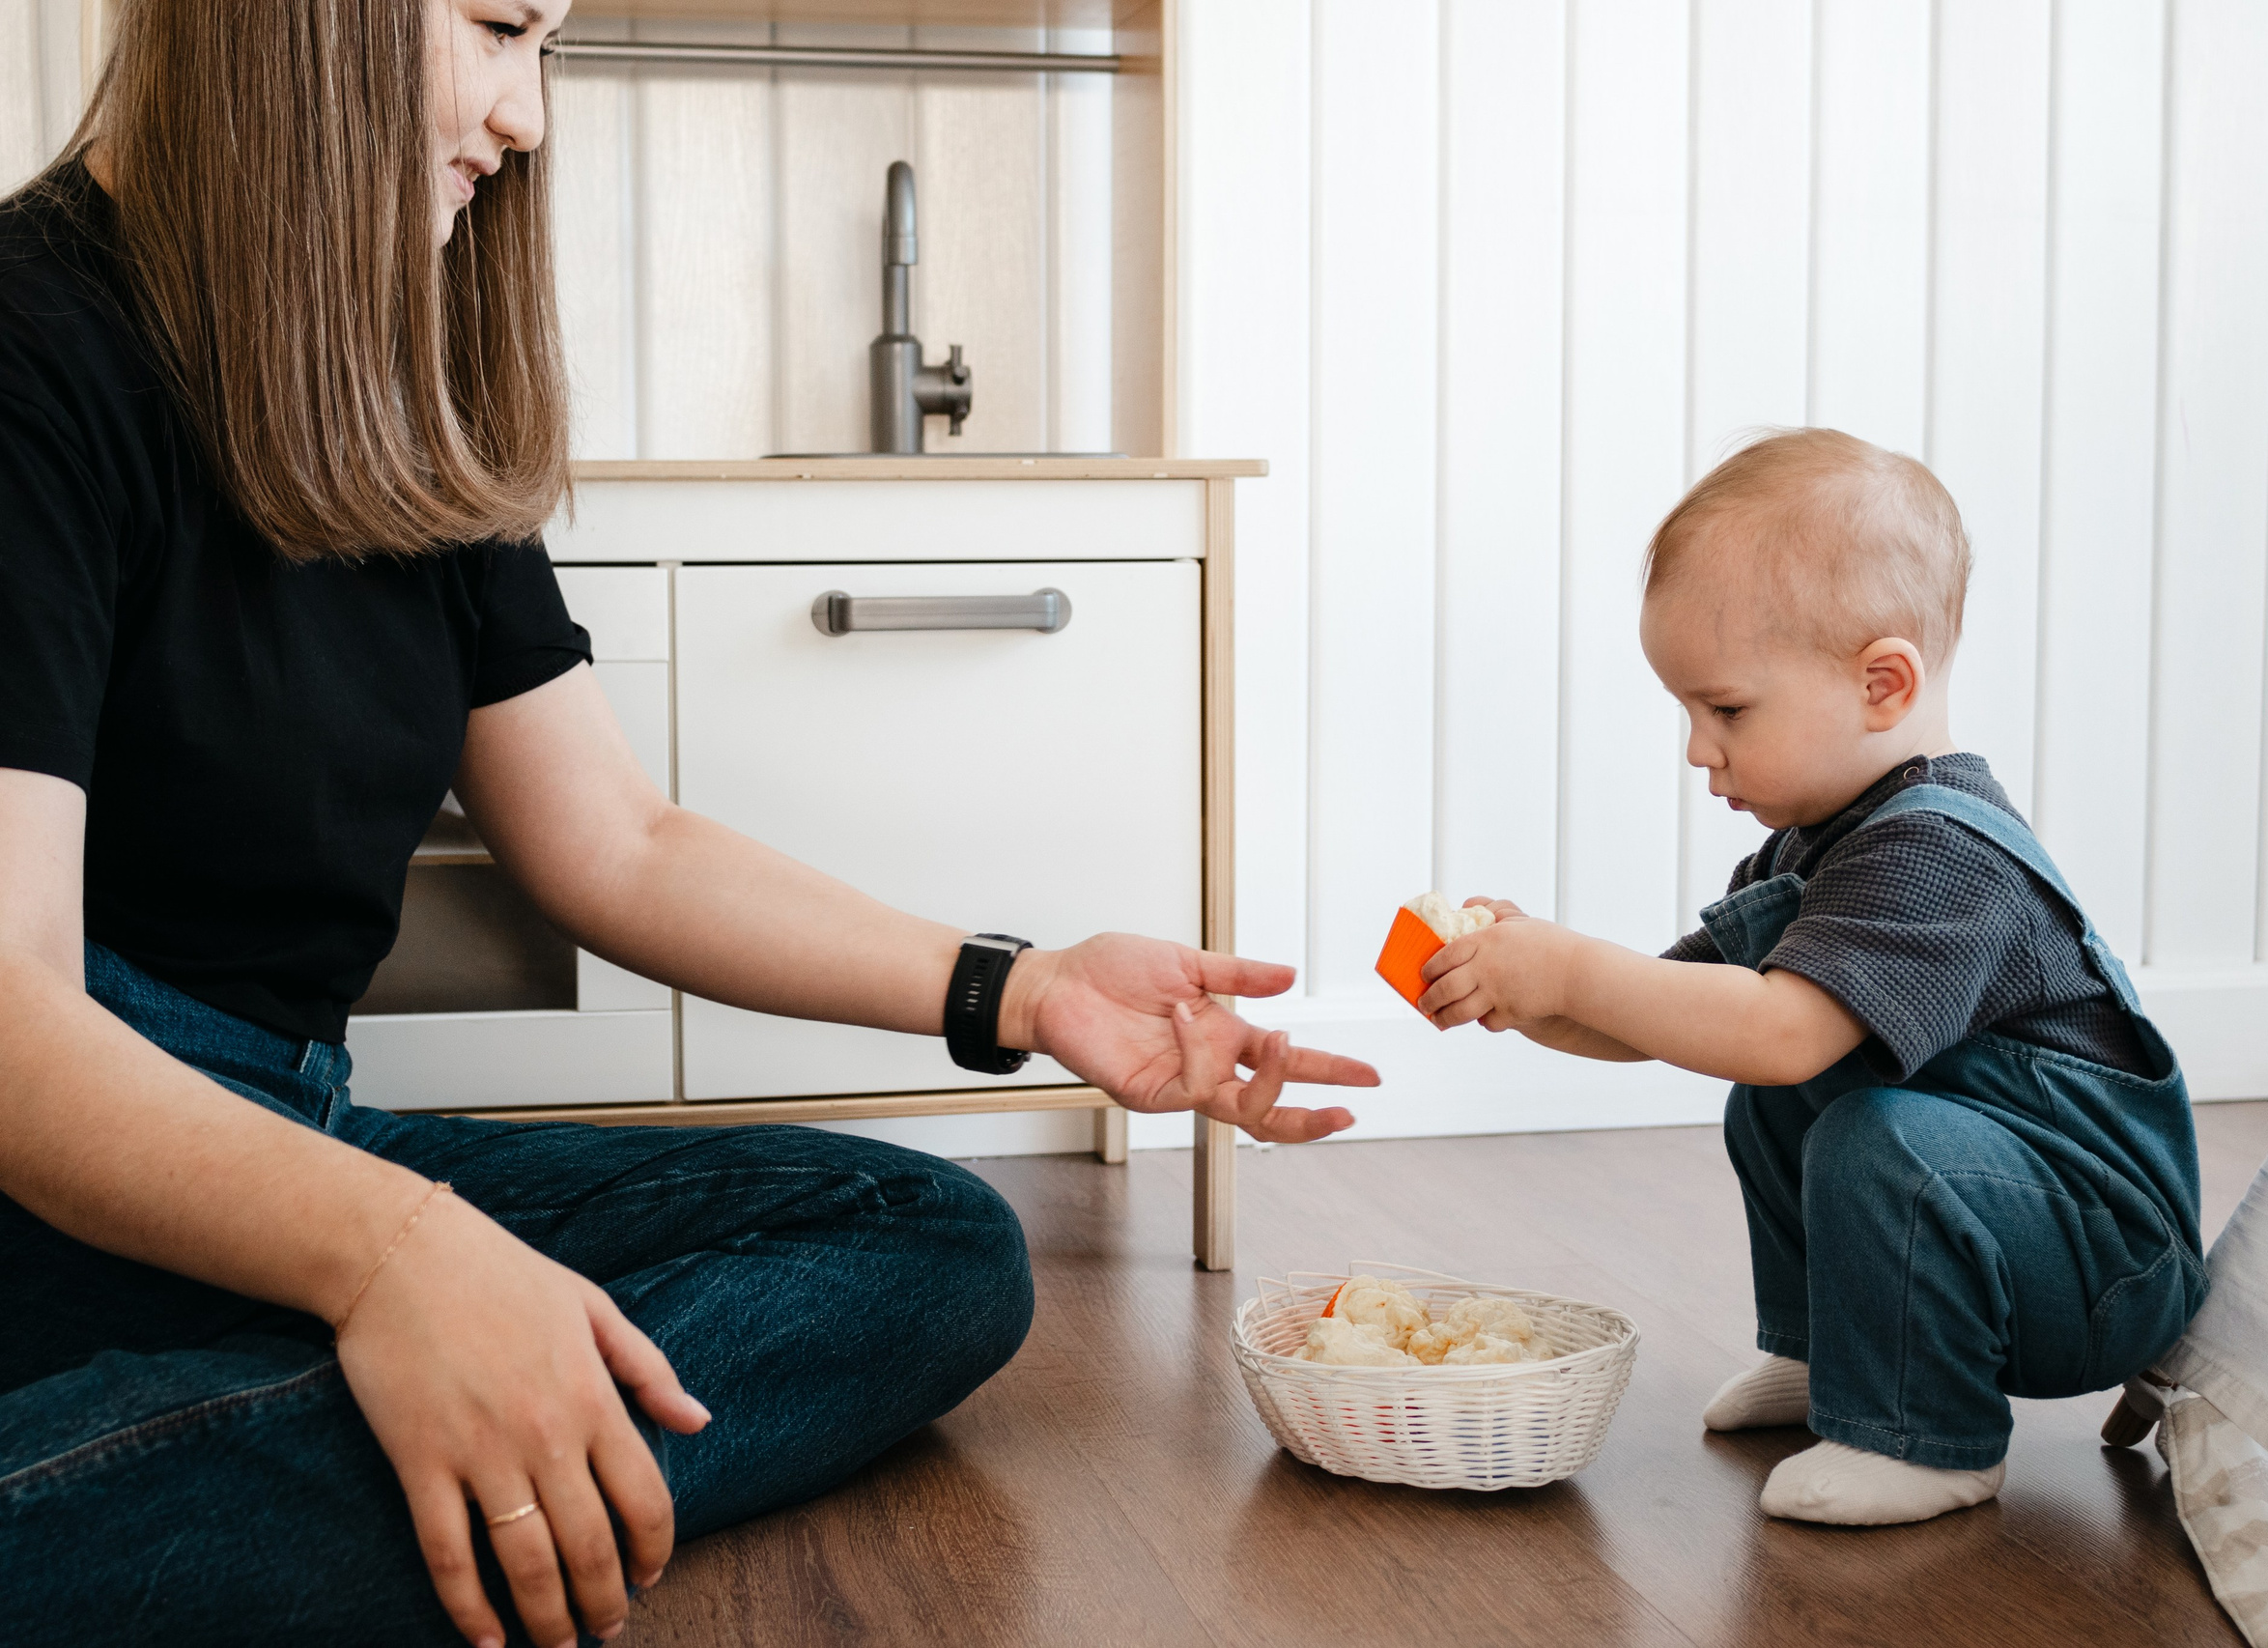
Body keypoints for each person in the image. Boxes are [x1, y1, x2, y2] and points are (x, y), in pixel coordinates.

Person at [0, 4, 1376, 1645]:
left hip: (294, 1133)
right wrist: (395, 1260)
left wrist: (1023, 990)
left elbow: (620, 842)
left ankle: (185, 1447)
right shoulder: (30, 345)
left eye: (552, 50)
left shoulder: (389, 375)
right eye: (504, 26)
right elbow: (18, 1024)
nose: (524, 117)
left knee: (929, 1242)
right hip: (71, 1169)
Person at [1418, 427, 2207, 1526]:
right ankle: (1834, 1354)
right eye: (1688, 714)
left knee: (1859, 1123)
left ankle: (1928, 1436)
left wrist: (1567, 966)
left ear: (1881, 683)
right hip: (2001, 1213)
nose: (1699, 749)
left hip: (2098, 1262)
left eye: (1727, 710)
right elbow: (1675, 1012)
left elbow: (1776, 1029)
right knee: (1782, 1103)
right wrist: (1532, 997)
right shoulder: (1814, 844)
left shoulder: (1941, 855)